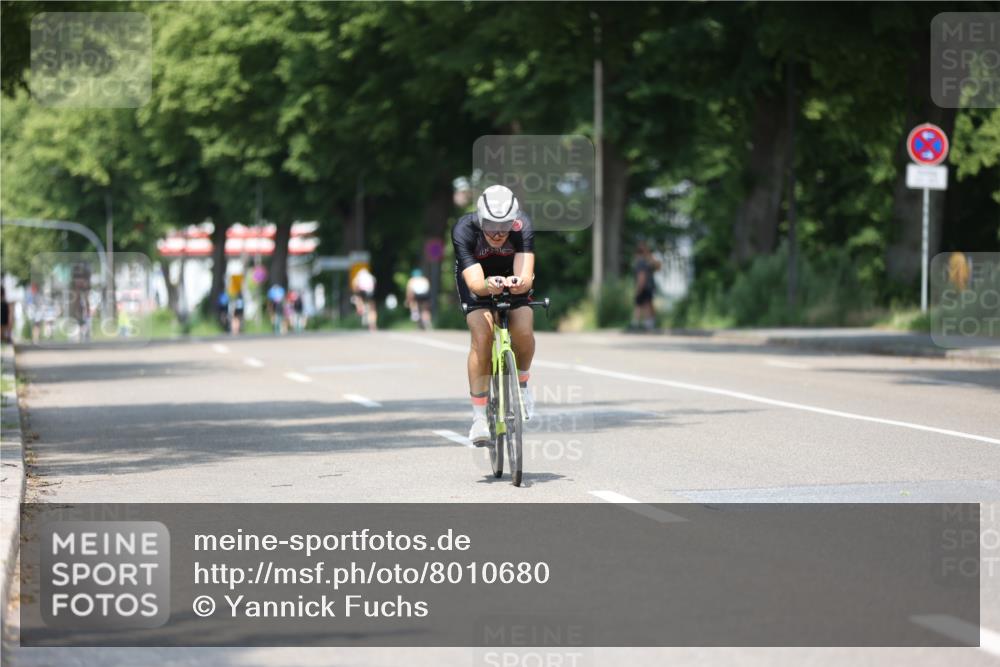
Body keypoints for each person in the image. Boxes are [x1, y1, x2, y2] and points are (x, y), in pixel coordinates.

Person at [452, 184, 536, 446]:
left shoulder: (522, 226)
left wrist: (517, 283)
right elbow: (476, 285)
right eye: (490, 225)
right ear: (480, 219)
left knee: (523, 329)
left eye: (505, 225)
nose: (499, 233)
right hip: (477, 279)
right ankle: (478, 417)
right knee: (482, 334)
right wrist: (489, 285)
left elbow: (525, 278)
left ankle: (521, 384)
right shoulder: (464, 229)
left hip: (511, 276)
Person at [631, 241, 661, 331]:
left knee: (643, 304)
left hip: (644, 286)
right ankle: (648, 323)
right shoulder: (646, 262)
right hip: (649, 286)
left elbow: (642, 277)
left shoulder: (642, 262)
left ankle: (639, 324)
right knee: (646, 304)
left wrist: (638, 288)